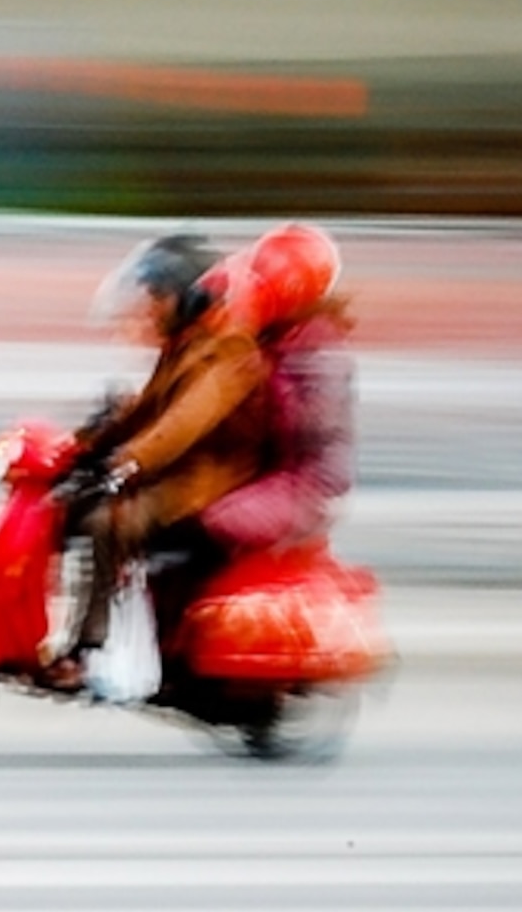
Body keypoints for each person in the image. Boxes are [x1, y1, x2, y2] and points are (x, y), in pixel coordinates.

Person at [45, 232, 275, 690]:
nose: (149, 306)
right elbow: (147, 411)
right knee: (60, 510)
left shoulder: (226, 350)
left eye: (158, 295)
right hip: (170, 474)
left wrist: (128, 462)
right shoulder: (184, 345)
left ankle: (87, 649)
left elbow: (182, 424)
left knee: (108, 523)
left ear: (188, 296)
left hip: (200, 485)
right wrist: (76, 444)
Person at [200, 221, 355, 557]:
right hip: (277, 473)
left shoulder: (316, 358)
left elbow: (305, 440)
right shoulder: (279, 340)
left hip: (305, 487)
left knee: (206, 525)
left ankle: (186, 608)